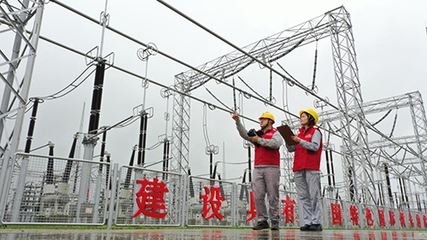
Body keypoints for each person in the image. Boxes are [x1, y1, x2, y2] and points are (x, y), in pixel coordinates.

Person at [232, 111, 283, 230]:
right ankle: (262, 220)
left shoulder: (276, 133)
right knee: (258, 195)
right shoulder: (258, 134)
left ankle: (275, 220)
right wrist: (238, 122)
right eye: (260, 120)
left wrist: (258, 140)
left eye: (263, 120)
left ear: (270, 121)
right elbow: (245, 135)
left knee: (272, 195)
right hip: (258, 168)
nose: (260, 122)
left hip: (272, 167)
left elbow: (275, 144)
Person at [286, 109, 323, 231]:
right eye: (301, 116)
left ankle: (316, 222)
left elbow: (314, 146)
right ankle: (308, 221)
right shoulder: (299, 133)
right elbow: (292, 149)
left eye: (303, 116)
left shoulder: (315, 131)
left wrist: (299, 141)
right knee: (303, 196)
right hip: (298, 168)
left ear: (311, 118)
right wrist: (288, 140)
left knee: (314, 195)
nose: (301, 118)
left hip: (311, 167)